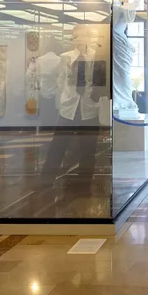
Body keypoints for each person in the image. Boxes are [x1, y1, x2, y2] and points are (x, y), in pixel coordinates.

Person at [40, 24, 101, 195]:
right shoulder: (65, 57)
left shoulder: (97, 57)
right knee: (58, 145)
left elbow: (99, 82)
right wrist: (63, 98)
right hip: (68, 108)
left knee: (88, 149)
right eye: (75, 37)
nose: (78, 40)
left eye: (81, 36)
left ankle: (84, 185)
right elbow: (59, 80)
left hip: (89, 107)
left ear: (89, 37)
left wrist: (94, 98)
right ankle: (46, 180)